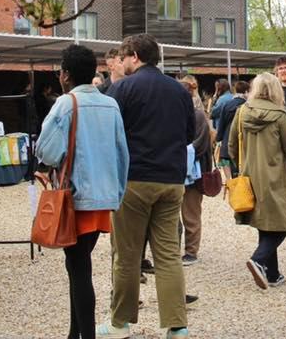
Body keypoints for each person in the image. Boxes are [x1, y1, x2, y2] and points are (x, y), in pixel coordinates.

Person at [99, 34, 194, 339]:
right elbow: (189, 132)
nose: (120, 63)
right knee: (168, 255)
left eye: (123, 57)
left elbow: (109, 133)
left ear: (135, 56)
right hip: (172, 180)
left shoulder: (122, 88)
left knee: (126, 255)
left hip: (134, 179)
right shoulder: (179, 90)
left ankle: (120, 323)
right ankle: (176, 326)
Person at [35, 44, 129, 339]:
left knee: (79, 268)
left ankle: (84, 334)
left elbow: (47, 151)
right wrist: (118, 192)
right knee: (77, 263)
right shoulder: (110, 104)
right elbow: (122, 153)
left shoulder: (66, 103)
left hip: (76, 196)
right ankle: (74, 331)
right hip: (104, 195)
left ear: (65, 74)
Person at [227, 72, 286, 290]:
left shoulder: (242, 111)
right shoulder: (281, 116)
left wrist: (242, 167)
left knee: (267, 220)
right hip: (277, 175)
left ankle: (272, 273)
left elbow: (231, 145)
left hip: (250, 175)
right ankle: (258, 259)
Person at [180, 78, 212, 266]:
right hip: (176, 171)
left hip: (194, 172)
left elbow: (200, 144)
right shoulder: (174, 114)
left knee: (190, 213)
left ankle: (191, 250)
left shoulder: (198, 115)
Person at [218, 80, 249, 174]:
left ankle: (228, 182)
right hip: (242, 138)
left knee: (224, 160)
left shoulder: (227, 104)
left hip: (227, 138)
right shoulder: (247, 105)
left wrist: (219, 138)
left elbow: (221, 122)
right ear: (247, 91)